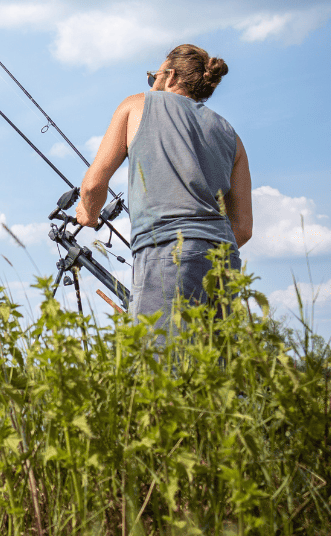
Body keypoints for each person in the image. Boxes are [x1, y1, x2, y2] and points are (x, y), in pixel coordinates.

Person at [75, 44, 253, 337]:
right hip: (225, 259)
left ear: (169, 76)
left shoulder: (135, 105)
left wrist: (88, 213)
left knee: (159, 370)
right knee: (215, 371)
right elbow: (243, 229)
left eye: (152, 77)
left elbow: (93, 184)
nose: (150, 85)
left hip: (167, 252)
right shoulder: (230, 134)